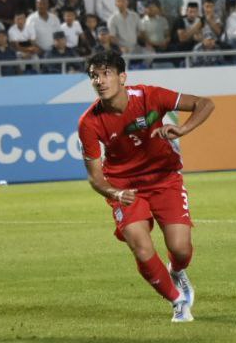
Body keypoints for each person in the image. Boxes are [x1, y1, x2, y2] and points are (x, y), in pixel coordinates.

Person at [75, 49, 215, 323]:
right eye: (94, 76)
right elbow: (95, 177)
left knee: (181, 249)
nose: (100, 81)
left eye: (106, 74)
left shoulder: (151, 96)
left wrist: (183, 130)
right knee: (140, 246)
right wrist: (115, 193)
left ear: (122, 77)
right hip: (123, 186)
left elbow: (205, 103)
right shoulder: (88, 123)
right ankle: (177, 302)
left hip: (164, 178)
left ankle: (176, 270)